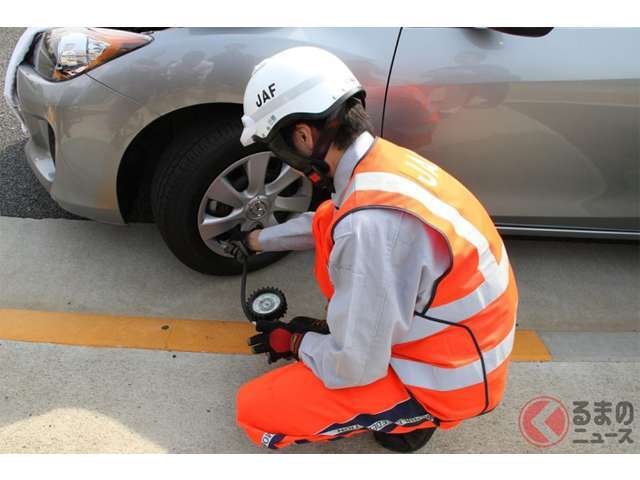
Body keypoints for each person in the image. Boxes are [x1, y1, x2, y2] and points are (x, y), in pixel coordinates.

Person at [230, 46, 519, 452]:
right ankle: (371, 348)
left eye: (282, 151)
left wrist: (297, 343)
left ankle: (413, 420)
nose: (288, 163)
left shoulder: (370, 227)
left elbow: (355, 365)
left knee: (258, 410)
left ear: (303, 135)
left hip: (452, 378)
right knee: (332, 218)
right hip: (463, 336)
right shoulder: (381, 164)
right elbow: (324, 224)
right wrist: (255, 241)